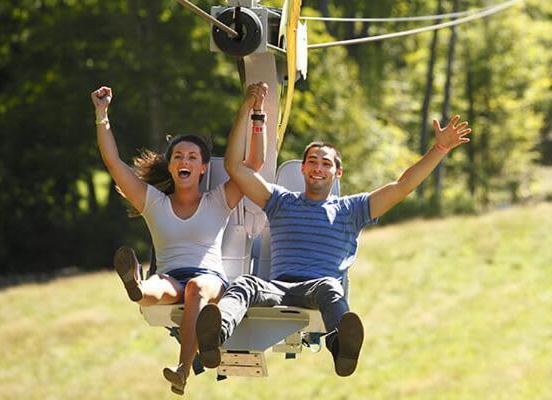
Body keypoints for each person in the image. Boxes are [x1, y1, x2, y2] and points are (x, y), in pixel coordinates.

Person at [194, 114, 472, 377]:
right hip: (277, 287)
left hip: (318, 290)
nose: (318, 167)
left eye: (326, 163)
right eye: (312, 161)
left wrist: (439, 149)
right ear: (302, 168)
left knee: (329, 286)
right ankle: (214, 336)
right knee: (245, 283)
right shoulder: (280, 200)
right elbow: (235, 169)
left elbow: (402, 186)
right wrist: (249, 111)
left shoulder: (352, 209)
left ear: (338, 172)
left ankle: (341, 348)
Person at [92, 82, 269, 395]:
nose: (184, 161)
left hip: (210, 279)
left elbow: (252, 165)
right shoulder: (153, 202)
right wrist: (101, 114)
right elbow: (114, 163)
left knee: (195, 288)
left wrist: (253, 112)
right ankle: (136, 286)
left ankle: (182, 368)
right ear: (171, 166)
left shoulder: (218, 200)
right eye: (177, 157)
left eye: (191, 157)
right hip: (170, 277)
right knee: (156, 289)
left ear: (202, 168)